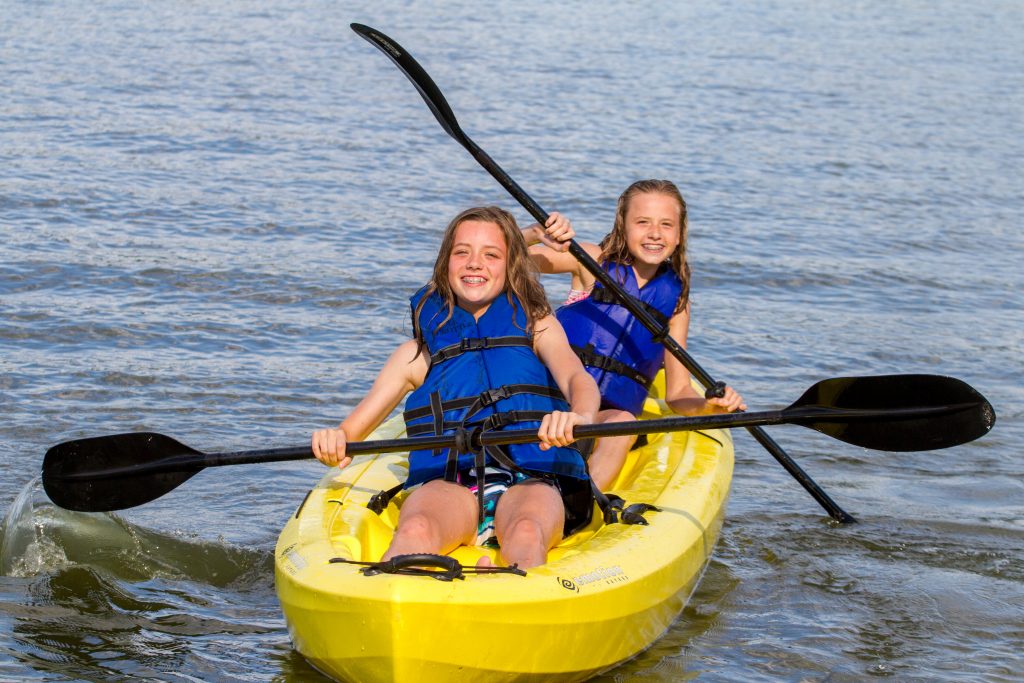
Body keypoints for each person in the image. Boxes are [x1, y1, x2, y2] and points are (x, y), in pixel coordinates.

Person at [312, 206, 600, 570]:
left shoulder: (536, 325)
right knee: (416, 528)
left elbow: (578, 378)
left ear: (511, 265)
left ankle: (508, 593)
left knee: (526, 532)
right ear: (444, 264)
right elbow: (350, 433)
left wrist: (579, 416)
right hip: (453, 483)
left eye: (491, 255)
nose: (474, 263)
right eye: (461, 252)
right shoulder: (417, 356)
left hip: (533, 478)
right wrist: (334, 440)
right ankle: (393, 600)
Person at [523, 179, 746, 491]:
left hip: (601, 420)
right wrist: (534, 235)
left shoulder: (676, 303)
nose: (655, 233)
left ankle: (579, 501)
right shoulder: (590, 260)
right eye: (642, 222)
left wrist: (712, 407)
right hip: (546, 399)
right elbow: (504, 259)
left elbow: (678, 393)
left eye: (666, 224)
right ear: (622, 227)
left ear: (679, 234)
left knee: (622, 423)